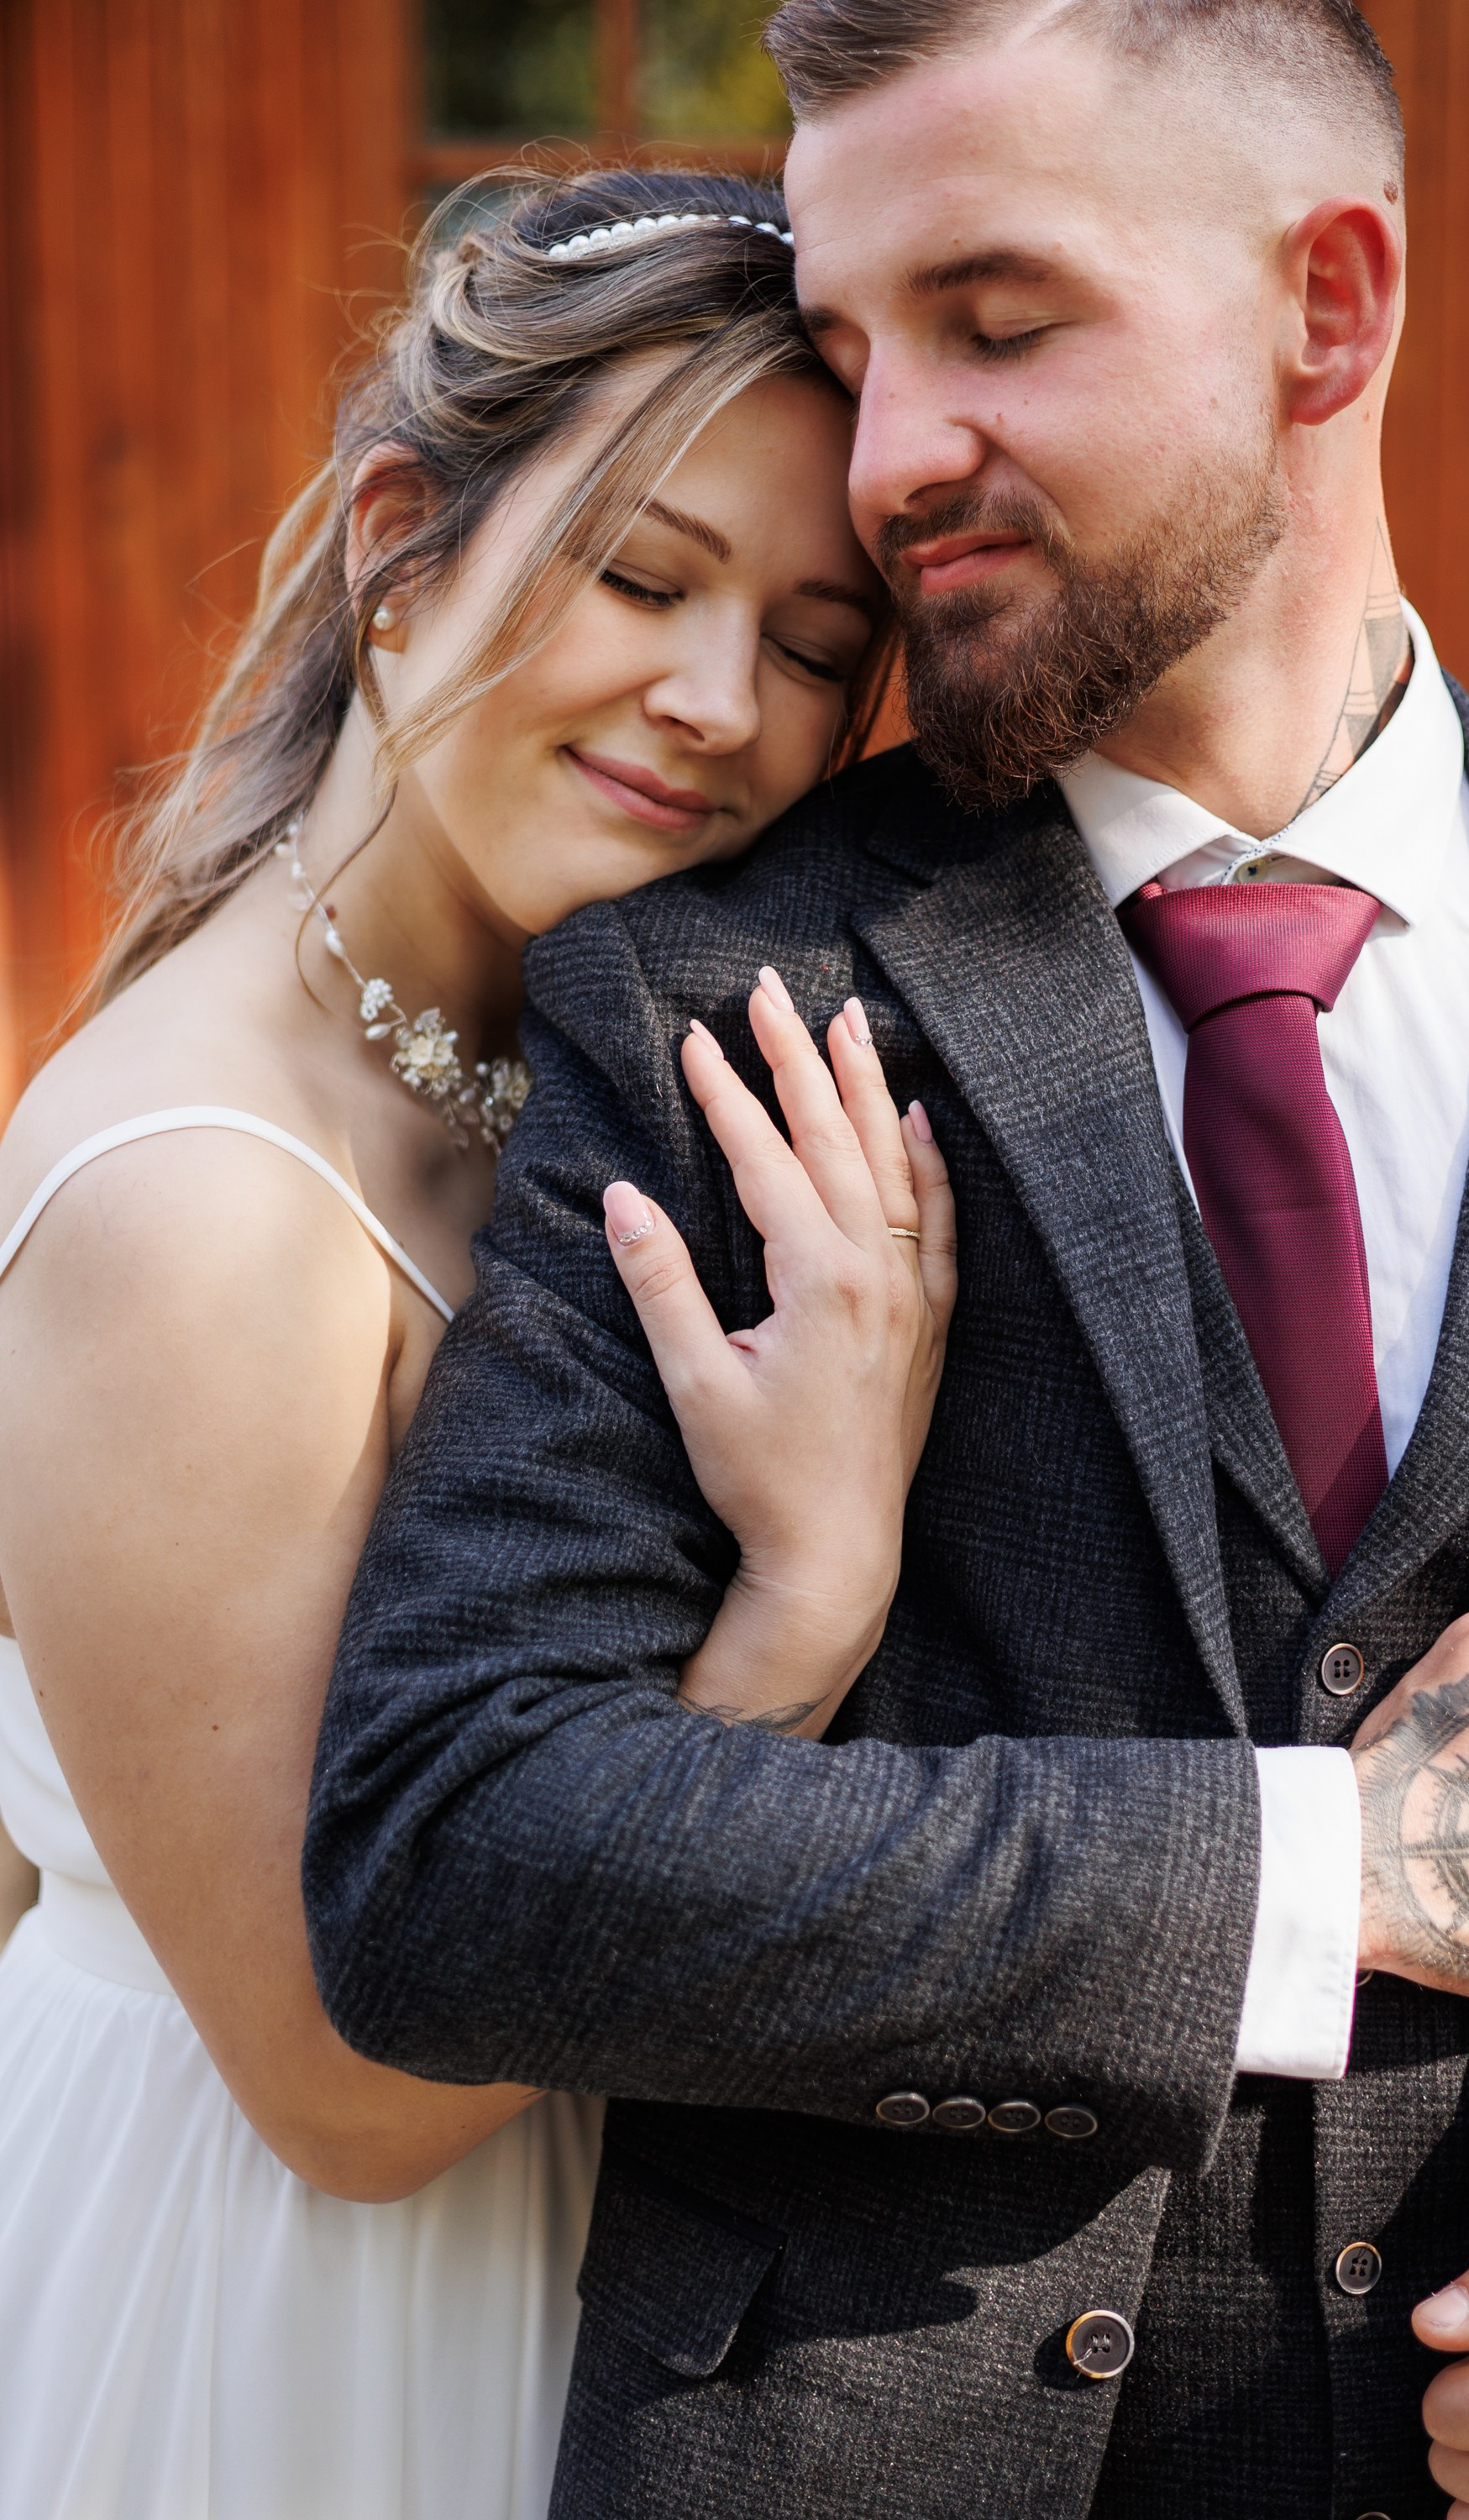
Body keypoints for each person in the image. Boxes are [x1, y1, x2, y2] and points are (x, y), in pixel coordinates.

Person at [307, 5, 1469, 2517]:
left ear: (1331, 309)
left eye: (999, 321)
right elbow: (450, 1859)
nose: (890, 449)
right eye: (852, 350)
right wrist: (1319, 1867)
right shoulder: (714, 997)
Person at [0, 165, 956, 2520]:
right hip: (290, 2317)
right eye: (643, 579)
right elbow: (344, 2091)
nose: (723, 705)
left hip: (577, 2262)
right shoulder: (197, 1210)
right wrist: (801, 1612)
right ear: (398, 548)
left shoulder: (564, 1073)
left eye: (821, 644)